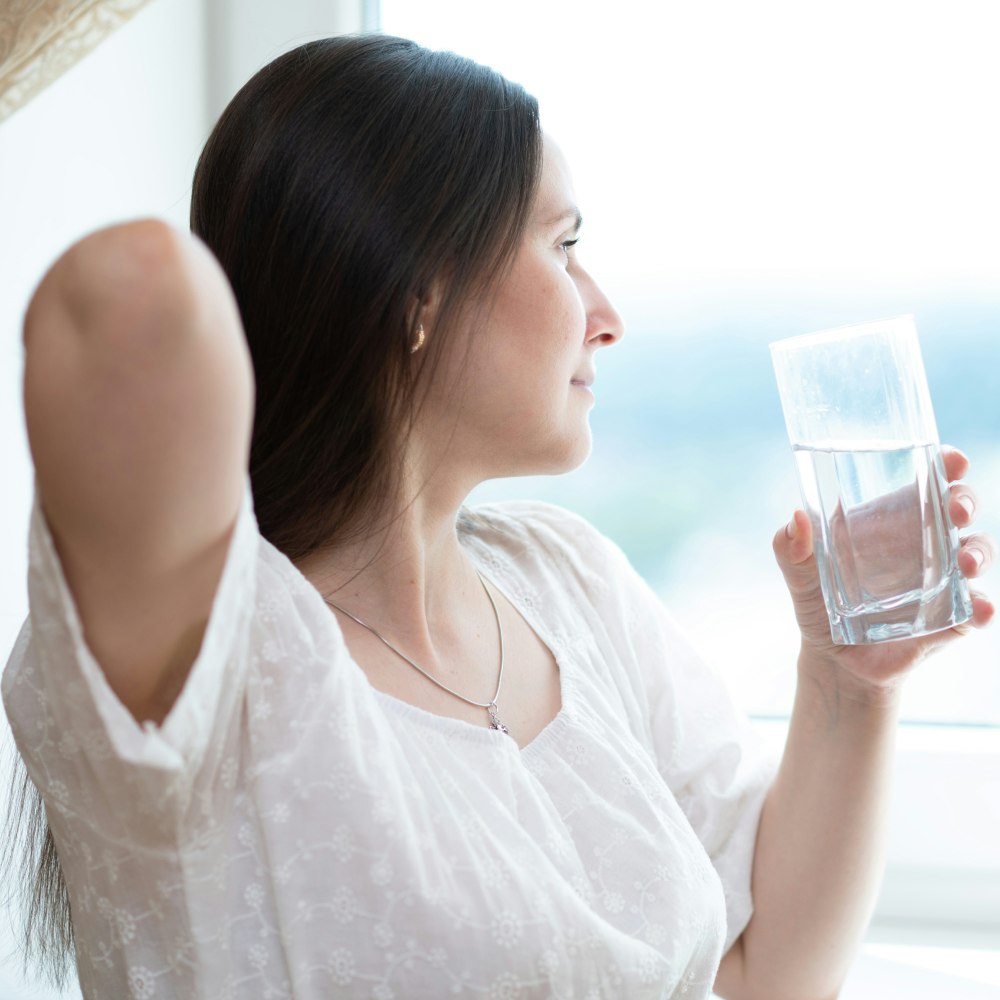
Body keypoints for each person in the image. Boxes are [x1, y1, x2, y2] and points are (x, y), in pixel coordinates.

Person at [2, 32, 993, 1000]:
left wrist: (846, 680)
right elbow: (129, 293)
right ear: (419, 296)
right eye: (563, 248)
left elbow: (765, 976)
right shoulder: (220, 657)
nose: (605, 311)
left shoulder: (567, 581)